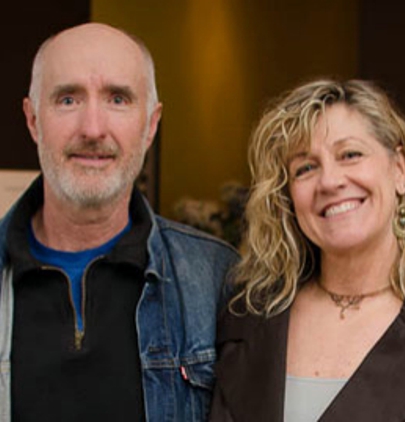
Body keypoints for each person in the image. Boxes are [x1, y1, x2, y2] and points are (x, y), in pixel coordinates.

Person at [0, 23, 238, 422]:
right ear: (33, 120)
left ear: (150, 124)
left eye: (117, 99)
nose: (93, 129)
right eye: (68, 99)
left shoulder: (218, 280)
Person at [209, 79, 405, 421]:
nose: (330, 181)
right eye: (305, 168)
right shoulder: (246, 318)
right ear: (288, 197)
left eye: (350, 154)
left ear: (400, 170)